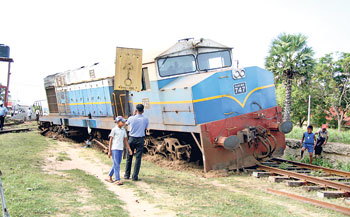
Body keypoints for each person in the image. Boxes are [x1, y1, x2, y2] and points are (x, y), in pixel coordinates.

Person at [124, 104, 149, 181]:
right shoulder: (146, 119)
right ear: (143, 111)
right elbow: (145, 128)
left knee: (129, 157)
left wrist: (134, 115)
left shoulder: (131, 118)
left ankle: (126, 175)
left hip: (131, 139)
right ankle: (135, 177)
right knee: (138, 158)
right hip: (140, 139)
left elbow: (126, 124)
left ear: (136, 110)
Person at [107, 116, 132, 185]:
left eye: (124, 122)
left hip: (120, 149)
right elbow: (110, 141)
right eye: (122, 122)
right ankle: (117, 179)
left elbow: (126, 140)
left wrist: (129, 149)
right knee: (117, 164)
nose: (124, 123)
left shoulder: (123, 130)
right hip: (115, 148)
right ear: (118, 122)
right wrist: (109, 151)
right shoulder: (114, 130)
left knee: (116, 163)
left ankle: (109, 176)